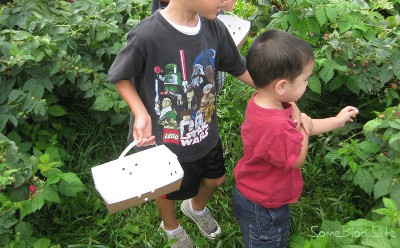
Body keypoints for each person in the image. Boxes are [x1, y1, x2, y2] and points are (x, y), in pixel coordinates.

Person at [108, 0, 256, 247]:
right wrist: (140, 111)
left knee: (216, 179)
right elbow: (120, 75)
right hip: (164, 146)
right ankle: (170, 226)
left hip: (205, 133)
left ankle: (195, 208)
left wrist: (275, 94)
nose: (229, 2)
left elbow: (238, 66)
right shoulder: (147, 34)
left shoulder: (213, 28)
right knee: (166, 191)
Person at [232, 29, 359, 248]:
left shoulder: (267, 101)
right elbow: (297, 158)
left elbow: (302, 126)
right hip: (264, 205)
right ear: (281, 86)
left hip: (256, 192)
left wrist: (335, 121)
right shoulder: (276, 125)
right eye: (305, 80)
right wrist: (304, 130)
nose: (307, 84)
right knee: (268, 242)